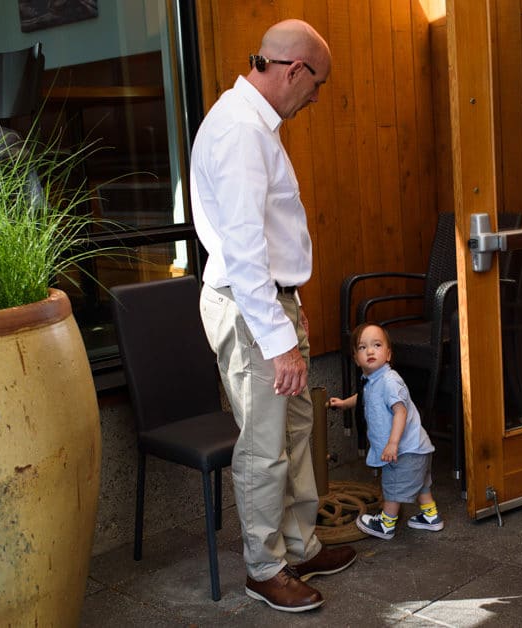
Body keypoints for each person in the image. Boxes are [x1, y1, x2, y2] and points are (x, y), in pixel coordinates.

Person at [191, 19, 356, 614]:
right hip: (250, 308)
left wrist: (291, 313)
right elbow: (243, 251)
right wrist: (278, 340)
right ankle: (265, 569)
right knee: (264, 446)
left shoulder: (255, 124)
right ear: (295, 71)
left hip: (270, 306)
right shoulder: (239, 131)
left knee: (294, 431)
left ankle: (299, 545)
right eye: (317, 86)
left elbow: (266, 237)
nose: (315, 99)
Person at [329, 323, 444, 539]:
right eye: (363, 347)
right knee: (420, 484)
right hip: (418, 448)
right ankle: (431, 516)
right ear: (356, 358)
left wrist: (393, 443)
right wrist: (345, 403)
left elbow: (400, 412)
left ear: (388, 354)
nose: (370, 351)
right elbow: (364, 397)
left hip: (404, 450)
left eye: (377, 345)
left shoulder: (390, 381)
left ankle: (386, 524)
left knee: (392, 485)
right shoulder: (372, 381)